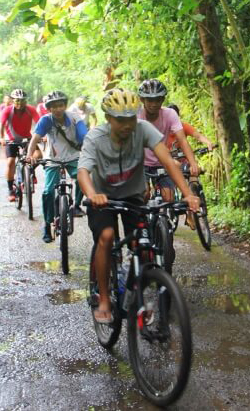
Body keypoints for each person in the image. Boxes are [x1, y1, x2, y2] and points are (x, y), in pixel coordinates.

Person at [77, 89, 200, 323]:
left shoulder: (143, 130)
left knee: (144, 246)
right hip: (102, 199)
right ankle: (104, 299)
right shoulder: (95, 138)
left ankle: (137, 296)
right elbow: (83, 171)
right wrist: (92, 194)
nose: (127, 125)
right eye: (120, 120)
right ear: (108, 119)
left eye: (131, 118)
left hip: (133, 196)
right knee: (106, 236)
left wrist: (187, 194)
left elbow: (167, 160)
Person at [27, 91, 88, 242]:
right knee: (48, 191)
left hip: (73, 157)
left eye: (60, 105)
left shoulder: (74, 117)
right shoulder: (45, 120)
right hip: (52, 160)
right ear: (49, 108)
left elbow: (84, 135)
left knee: (83, 178)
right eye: (54, 106)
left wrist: (86, 144)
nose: (58, 109)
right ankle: (47, 225)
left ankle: (77, 205)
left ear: (65, 105)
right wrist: (29, 155)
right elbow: (35, 139)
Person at [137, 79, 199, 202]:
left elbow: (182, 140)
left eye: (158, 99)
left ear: (163, 99)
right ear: (142, 99)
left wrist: (193, 163)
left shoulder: (170, 114)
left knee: (169, 197)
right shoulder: (136, 115)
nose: (154, 104)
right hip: (140, 164)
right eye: (150, 100)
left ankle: (166, 221)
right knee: (142, 194)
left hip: (162, 161)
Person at [0, 89, 39, 202]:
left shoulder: (31, 109)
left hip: (27, 138)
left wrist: (42, 136)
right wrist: (0, 138)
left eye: (22, 101)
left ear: (26, 101)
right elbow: (0, 125)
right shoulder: (7, 110)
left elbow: (39, 123)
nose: (19, 104)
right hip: (11, 140)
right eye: (17, 101)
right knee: (10, 162)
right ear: (12, 101)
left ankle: (31, 171)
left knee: (38, 155)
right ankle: (11, 190)